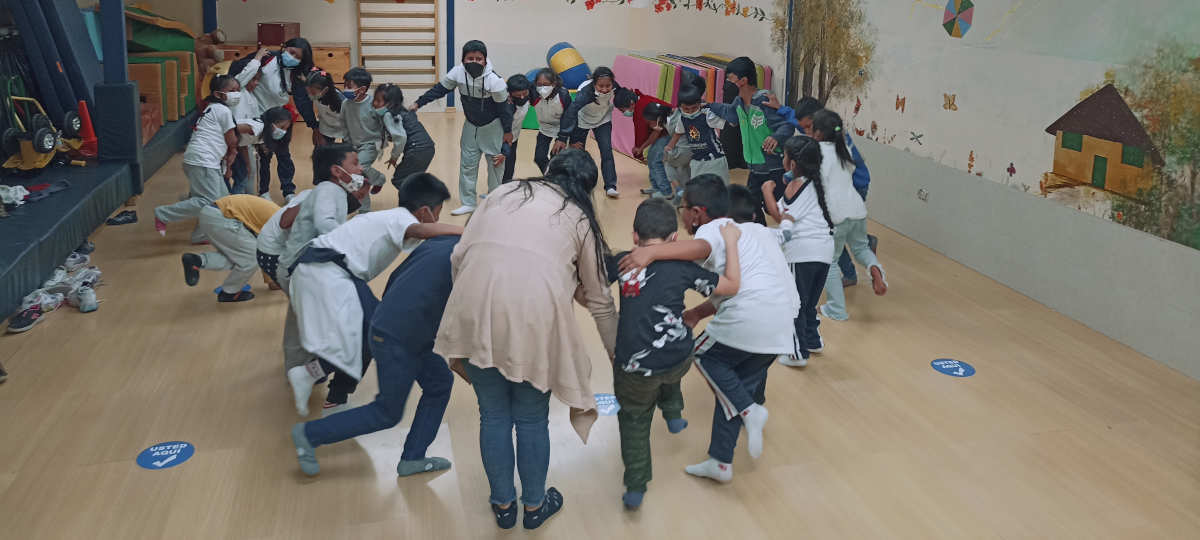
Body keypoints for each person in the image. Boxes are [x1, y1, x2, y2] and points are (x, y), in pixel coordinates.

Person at [434, 149, 616, 530]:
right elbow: (599, 299)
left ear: (549, 172)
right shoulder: (579, 217)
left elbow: (458, 256)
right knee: (531, 419)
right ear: (586, 189)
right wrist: (619, 355)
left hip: (473, 310)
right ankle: (534, 506)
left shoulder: (503, 192)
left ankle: (503, 505)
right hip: (533, 320)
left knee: (493, 414)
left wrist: (474, 305)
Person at [618, 175, 799, 483]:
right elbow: (728, 290)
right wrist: (696, 313)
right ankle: (721, 461)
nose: (681, 214)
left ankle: (749, 410)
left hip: (751, 315)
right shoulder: (756, 231)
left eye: (682, 207)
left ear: (697, 213)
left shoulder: (716, 228)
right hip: (783, 324)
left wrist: (652, 252)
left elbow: (701, 247)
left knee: (699, 354)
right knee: (732, 387)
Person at [289, 217, 463, 480]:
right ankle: (309, 434)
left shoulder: (442, 242)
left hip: (395, 324)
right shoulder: (472, 261)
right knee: (387, 412)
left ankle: (413, 458)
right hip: (400, 336)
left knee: (439, 383)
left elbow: (396, 278)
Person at [605, 197, 743, 510]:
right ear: (675, 239)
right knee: (669, 363)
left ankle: (636, 485)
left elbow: (590, 282)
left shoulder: (623, 261)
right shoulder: (683, 267)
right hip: (680, 358)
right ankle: (673, 412)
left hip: (635, 367)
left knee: (634, 420)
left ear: (635, 236)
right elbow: (732, 286)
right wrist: (731, 243)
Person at [288, 174, 463, 417]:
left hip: (320, 269)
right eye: (438, 213)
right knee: (374, 329)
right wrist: (470, 232)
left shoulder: (388, 220)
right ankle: (319, 383)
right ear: (424, 211)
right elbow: (423, 230)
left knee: (368, 331)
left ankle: (326, 387)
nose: (438, 221)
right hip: (326, 269)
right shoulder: (400, 218)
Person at [280, 144, 370, 415]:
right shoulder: (329, 190)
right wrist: (352, 242)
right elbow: (325, 223)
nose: (360, 169)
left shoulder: (329, 191)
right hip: (306, 266)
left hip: (293, 265)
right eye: (355, 163)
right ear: (337, 170)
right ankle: (318, 379)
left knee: (298, 319)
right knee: (344, 322)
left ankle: (296, 369)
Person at [766, 95, 878, 280]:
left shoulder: (831, 141)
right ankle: (860, 250)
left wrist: (789, 176)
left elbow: (818, 167)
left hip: (854, 187)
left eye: (808, 128)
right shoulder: (820, 130)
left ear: (818, 124)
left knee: (830, 232)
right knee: (832, 231)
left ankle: (850, 270)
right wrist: (780, 108)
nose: (806, 132)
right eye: (804, 128)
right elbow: (797, 120)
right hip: (843, 189)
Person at [410, 40, 513, 216]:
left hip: (493, 126)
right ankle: (468, 202)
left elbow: (505, 109)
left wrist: (508, 132)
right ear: (463, 59)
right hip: (470, 126)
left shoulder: (495, 81)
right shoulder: (457, 73)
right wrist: (418, 103)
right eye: (470, 58)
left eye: (478, 59)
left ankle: (494, 201)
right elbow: (439, 90)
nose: (474, 62)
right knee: (467, 165)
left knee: (495, 165)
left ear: (485, 60)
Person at [761, 136, 835, 366]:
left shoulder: (795, 186)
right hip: (824, 251)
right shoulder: (818, 183)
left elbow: (779, 216)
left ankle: (796, 353)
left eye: (784, 156)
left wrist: (767, 192)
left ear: (792, 163)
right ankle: (812, 340)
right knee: (808, 302)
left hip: (802, 252)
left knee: (793, 303)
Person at [809, 110, 887, 321]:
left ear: (817, 133)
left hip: (835, 214)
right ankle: (875, 270)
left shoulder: (815, 151)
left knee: (830, 261)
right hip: (857, 209)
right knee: (861, 249)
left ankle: (836, 309)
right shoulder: (844, 149)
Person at [153, 75, 238, 238]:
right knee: (209, 201)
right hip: (203, 161)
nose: (236, 94)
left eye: (237, 90)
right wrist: (233, 152)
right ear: (218, 94)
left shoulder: (212, 108)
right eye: (232, 90)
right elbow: (231, 139)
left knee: (222, 200)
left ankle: (201, 235)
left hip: (202, 160)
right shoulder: (223, 110)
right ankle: (163, 213)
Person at [722, 56, 795, 224]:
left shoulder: (764, 101)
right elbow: (727, 112)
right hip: (754, 167)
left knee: (777, 208)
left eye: (730, 79)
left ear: (743, 80)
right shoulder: (738, 102)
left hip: (773, 168)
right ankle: (760, 234)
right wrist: (706, 106)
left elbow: (787, 126)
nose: (726, 83)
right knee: (751, 208)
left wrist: (776, 137)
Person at [180, 194, 280, 302]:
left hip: (212, 214)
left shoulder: (282, 217)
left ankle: (197, 261)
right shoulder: (281, 224)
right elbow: (265, 253)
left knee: (240, 258)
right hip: (223, 217)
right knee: (252, 258)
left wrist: (272, 280)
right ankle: (229, 293)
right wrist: (273, 281)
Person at [554, 67, 636, 198]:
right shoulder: (585, 93)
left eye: (608, 86)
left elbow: (621, 96)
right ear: (594, 83)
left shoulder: (614, 86)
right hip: (582, 121)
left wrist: (627, 104)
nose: (605, 89)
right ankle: (577, 183)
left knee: (606, 152)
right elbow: (571, 112)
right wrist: (563, 137)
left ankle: (610, 186)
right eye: (600, 86)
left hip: (603, 120)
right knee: (578, 152)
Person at [251, 38, 317, 200]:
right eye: (291, 52)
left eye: (298, 57)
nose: (293, 58)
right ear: (284, 47)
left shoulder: (297, 72)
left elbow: (302, 100)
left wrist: (313, 124)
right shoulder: (267, 58)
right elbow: (242, 70)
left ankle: (288, 191)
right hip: (259, 114)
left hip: (279, 116)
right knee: (264, 157)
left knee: (284, 155)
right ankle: (263, 191)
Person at [665, 80, 729, 183]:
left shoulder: (707, 115)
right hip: (697, 162)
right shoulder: (682, 118)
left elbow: (727, 118)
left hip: (715, 160)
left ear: (700, 104)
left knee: (720, 189)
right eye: (686, 109)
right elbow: (678, 133)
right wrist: (670, 146)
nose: (690, 112)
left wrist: (714, 107)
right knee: (697, 190)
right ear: (680, 107)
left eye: (694, 108)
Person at [341, 67, 386, 212]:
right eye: (345, 85)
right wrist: (346, 142)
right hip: (353, 144)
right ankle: (378, 178)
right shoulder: (345, 104)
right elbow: (343, 124)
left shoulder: (374, 104)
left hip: (371, 144)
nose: (346, 89)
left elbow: (384, 124)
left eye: (349, 86)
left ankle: (364, 210)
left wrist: (383, 143)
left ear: (362, 89)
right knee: (351, 171)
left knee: (358, 172)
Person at [377, 84, 436, 195]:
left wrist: (394, 157)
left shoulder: (390, 116)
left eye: (378, 101)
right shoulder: (405, 112)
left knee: (399, 180)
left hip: (416, 150)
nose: (374, 104)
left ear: (389, 103)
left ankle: (423, 199)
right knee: (412, 179)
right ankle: (425, 197)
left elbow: (401, 138)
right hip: (428, 148)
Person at [228, 49, 269, 195]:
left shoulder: (251, 97)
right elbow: (246, 73)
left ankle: (249, 200)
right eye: (253, 79)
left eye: (258, 80)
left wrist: (261, 142)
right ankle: (239, 202)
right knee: (241, 175)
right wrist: (258, 57)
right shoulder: (237, 90)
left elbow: (255, 123)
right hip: (233, 144)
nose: (256, 83)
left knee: (249, 172)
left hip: (244, 143)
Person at [630, 101, 676, 200]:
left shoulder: (671, 121)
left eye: (650, 122)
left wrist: (670, 146)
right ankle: (656, 187)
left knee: (656, 161)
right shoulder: (660, 120)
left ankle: (666, 192)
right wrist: (641, 148)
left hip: (674, 138)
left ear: (658, 119)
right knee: (651, 157)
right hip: (667, 136)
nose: (649, 125)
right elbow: (654, 135)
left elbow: (678, 136)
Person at [531, 69, 571, 173]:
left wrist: (562, 138)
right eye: (539, 84)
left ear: (554, 84)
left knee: (556, 157)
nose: (542, 88)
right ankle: (550, 177)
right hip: (544, 128)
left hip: (561, 129)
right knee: (539, 158)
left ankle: (556, 178)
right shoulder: (534, 93)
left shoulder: (563, 95)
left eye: (546, 84)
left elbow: (569, 117)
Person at [501, 74, 532, 183]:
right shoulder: (505, 103)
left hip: (514, 136)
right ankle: (496, 188)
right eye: (518, 95)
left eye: (524, 93)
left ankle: (507, 185)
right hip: (501, 136)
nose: (522, 97)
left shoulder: (530, 94)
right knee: (499, 165)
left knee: (510, 164)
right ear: (510, 93)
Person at [307, 70, 347, 145]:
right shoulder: (316, 94)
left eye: (312, 93)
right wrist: (316, 130)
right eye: (308, 91)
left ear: (325, 90)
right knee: (321, 150)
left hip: (345, 129)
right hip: (326, 127)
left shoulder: (342, 102)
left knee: (347, 150)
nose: (310, 95)